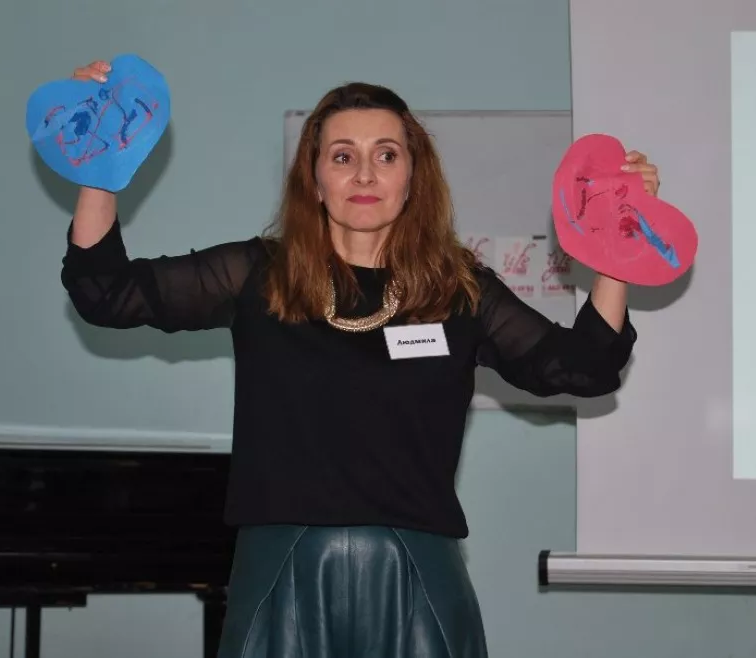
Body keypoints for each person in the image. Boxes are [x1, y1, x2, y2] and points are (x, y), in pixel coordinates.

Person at [59, 59, 659, 658]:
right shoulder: (257, 274)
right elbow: (104, 293)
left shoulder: (460, 291)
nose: (365, 174)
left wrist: (617, 242)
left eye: (387, 155)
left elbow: (585, 367)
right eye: (343, 156)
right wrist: (99, 164)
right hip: (281, 573)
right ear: (314, 178)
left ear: (412, 176)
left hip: (417, 576)